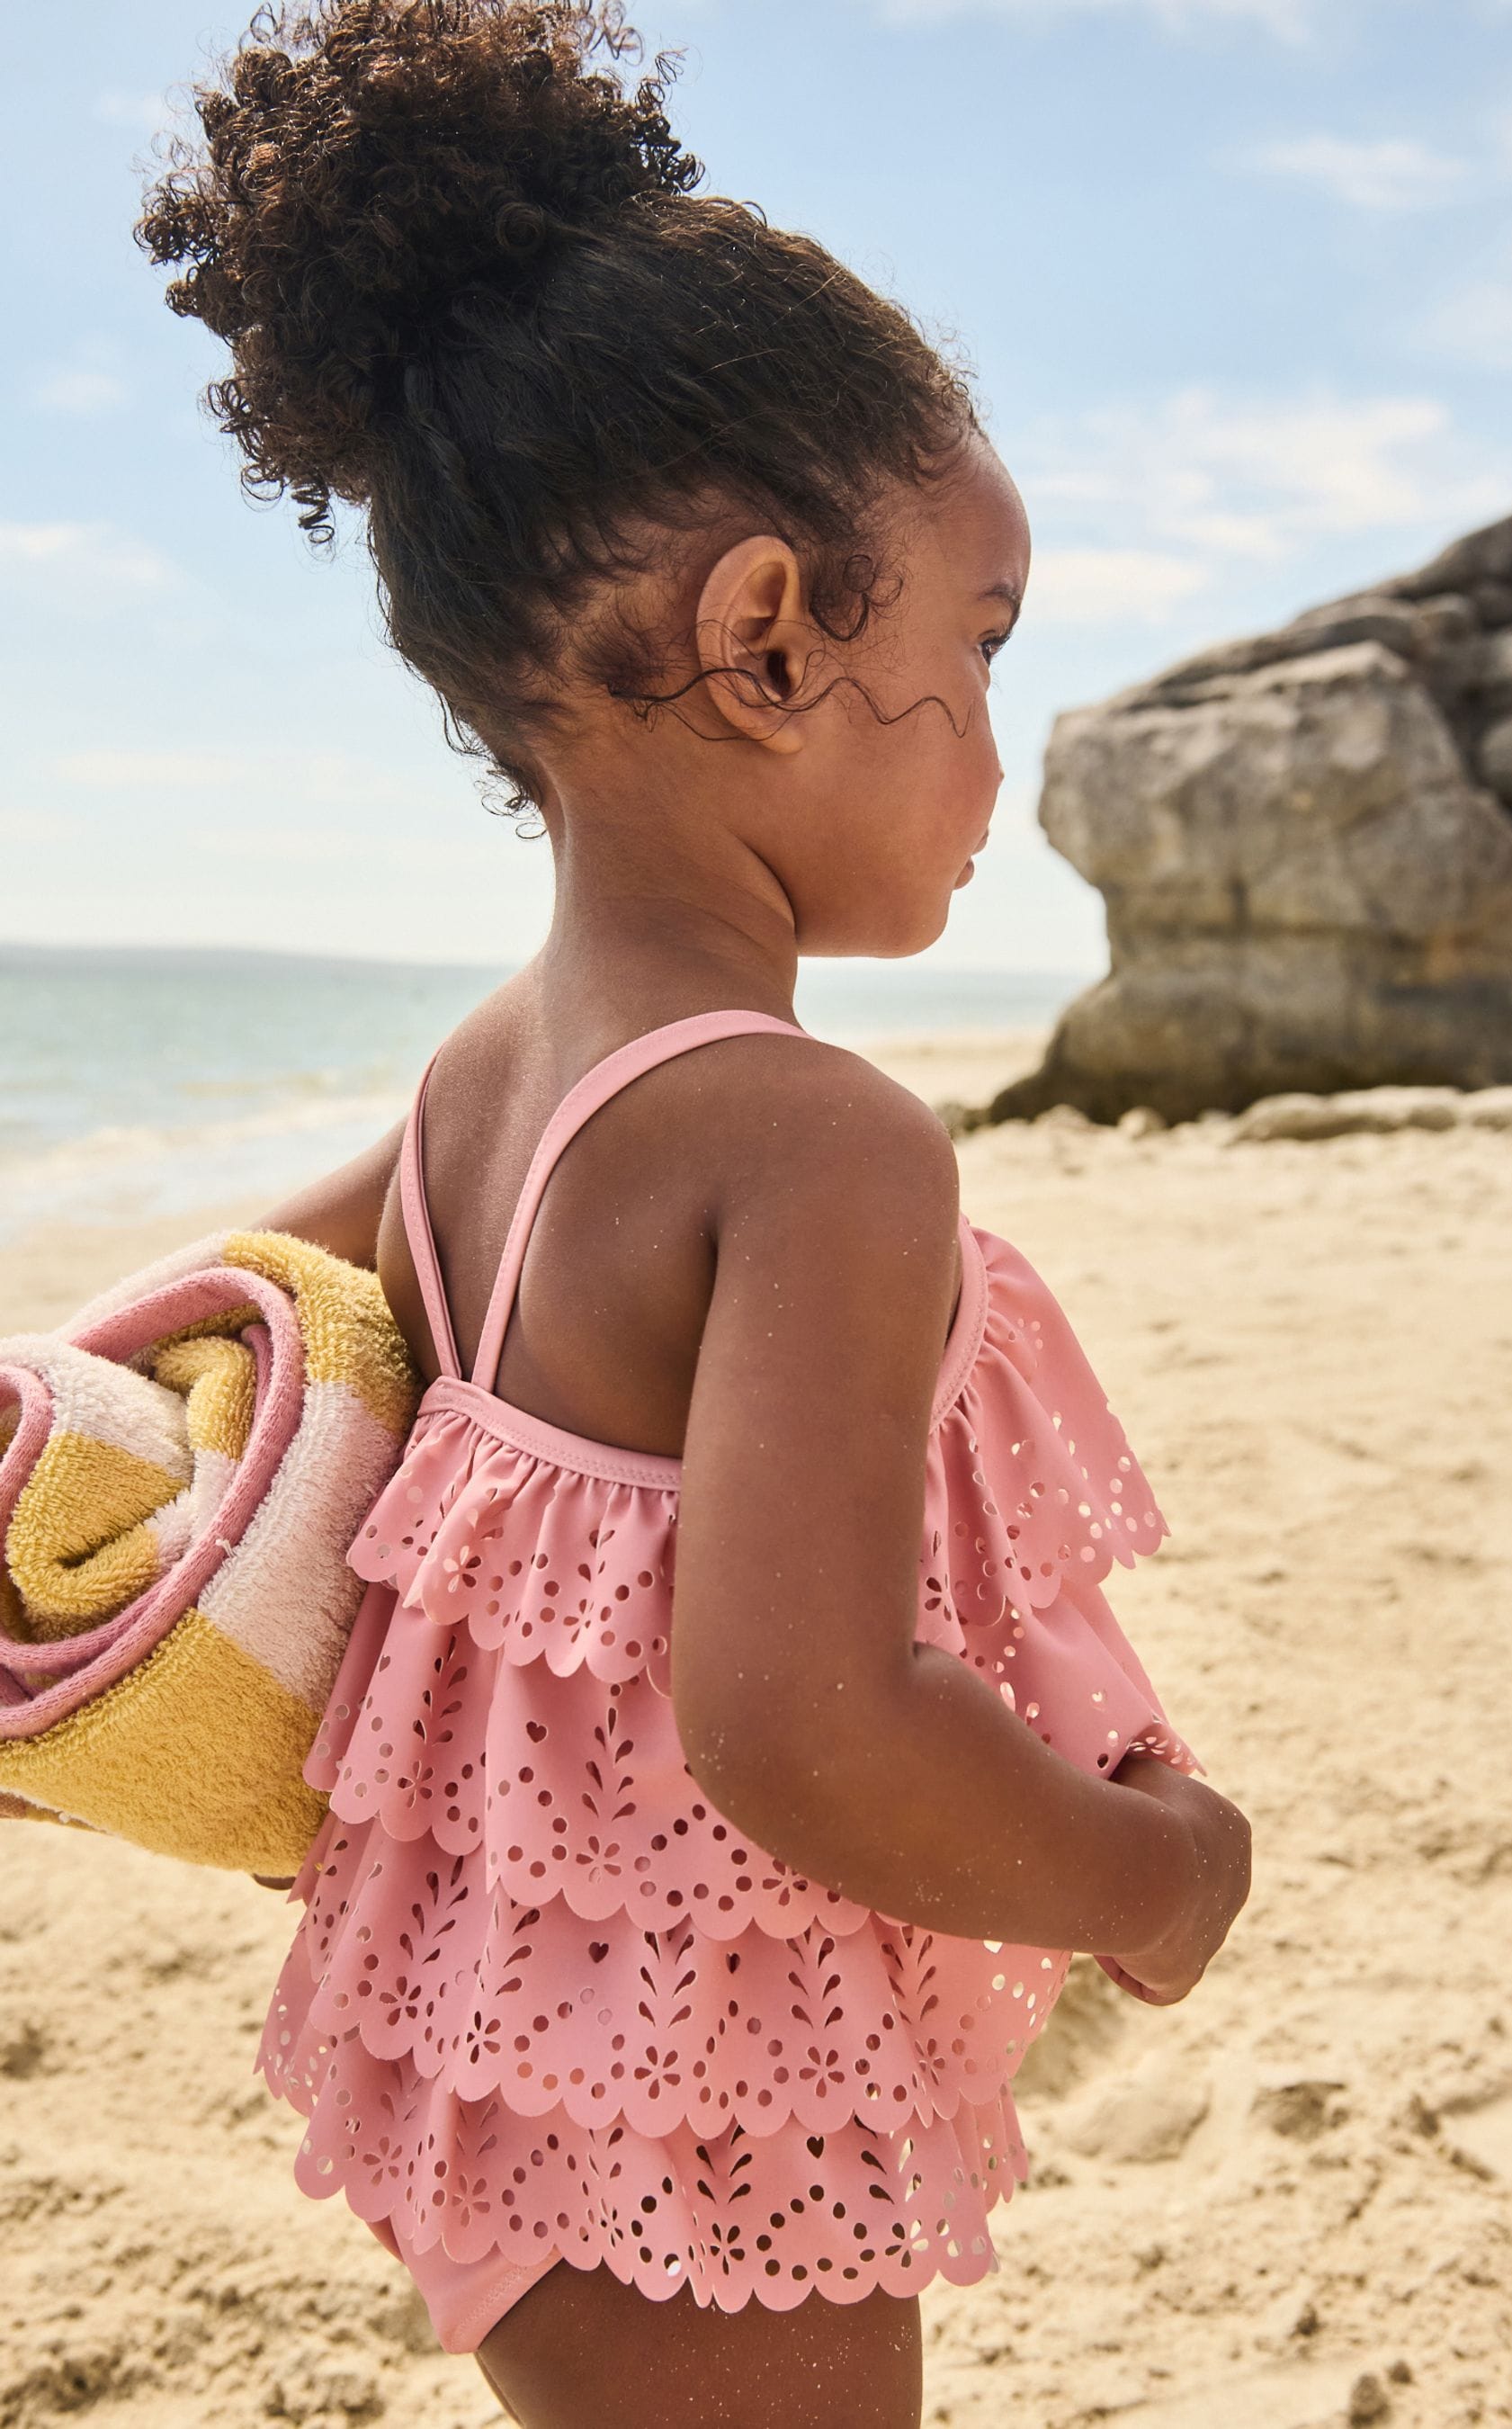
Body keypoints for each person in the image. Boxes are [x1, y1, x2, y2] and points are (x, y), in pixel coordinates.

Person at [138, 6, 1251, 2422]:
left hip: (490, 2055)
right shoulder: (817, 1144)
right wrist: (1148, 1882)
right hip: (692, 2089)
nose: (994, 740)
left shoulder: (477, 1078)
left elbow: (187, 1338)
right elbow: (797, 1721)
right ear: (769, 637)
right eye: (977, 641)